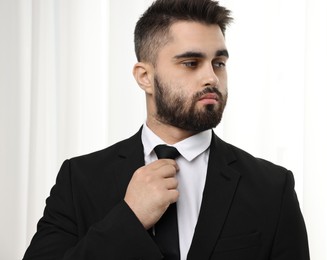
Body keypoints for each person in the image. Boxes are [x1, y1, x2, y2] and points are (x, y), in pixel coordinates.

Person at [23, 0, 310, 259]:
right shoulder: (80, 179)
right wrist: (129, 218)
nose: (211, 77)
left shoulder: (272, 188)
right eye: (190, 63)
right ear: (145, 77)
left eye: (218, 63)